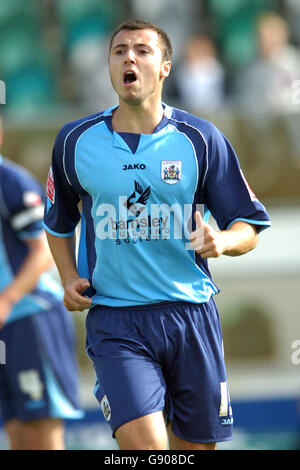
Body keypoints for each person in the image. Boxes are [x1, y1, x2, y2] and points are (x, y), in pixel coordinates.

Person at [43, 19, 271, 450]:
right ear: (110, 67)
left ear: (165, 66)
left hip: (190, 314)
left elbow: (249, 225)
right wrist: (67, 275)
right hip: (117, 320)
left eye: (142, 50)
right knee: (147, 449)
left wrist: (222, 240)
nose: (129, 57)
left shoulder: (201, 139)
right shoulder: (74, 141)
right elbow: (57, 222)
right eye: (119, 50)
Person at [0, 117, 83, 450]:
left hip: (30, 319)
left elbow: (43, 251)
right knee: (16, 431)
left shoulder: (11, 182)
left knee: (43, 432)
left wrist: (7, 300)